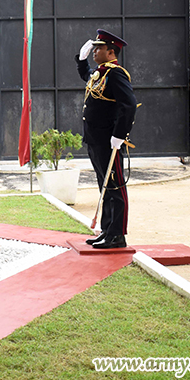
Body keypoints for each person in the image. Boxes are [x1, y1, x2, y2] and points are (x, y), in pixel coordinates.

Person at [75, 29, 137, 249]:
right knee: (105, 186)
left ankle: (117, 235)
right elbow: (87, 76)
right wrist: (81, 61)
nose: (94, 51)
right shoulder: (101, 72)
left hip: (109, 140)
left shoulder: (116, 74)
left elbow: (128, 105)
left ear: (111, 52)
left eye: (98, 48)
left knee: (115, 186)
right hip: (96, 139)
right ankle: (107, 231)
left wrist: (119, 135)